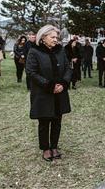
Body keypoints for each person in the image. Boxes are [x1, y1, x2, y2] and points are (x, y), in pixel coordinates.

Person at [26, 25, 72, 162]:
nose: (55, 39)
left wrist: (63, 83)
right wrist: (50, 85)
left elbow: (68, 68)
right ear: (43, 37)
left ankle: (54, 146)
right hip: (43, 93)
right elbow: (31, 72)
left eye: (56, 37)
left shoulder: (61, 51)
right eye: (52, 37)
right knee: (44, 122)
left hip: (60, 92)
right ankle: (45, 148)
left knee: (57, 121)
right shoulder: (34, 51)